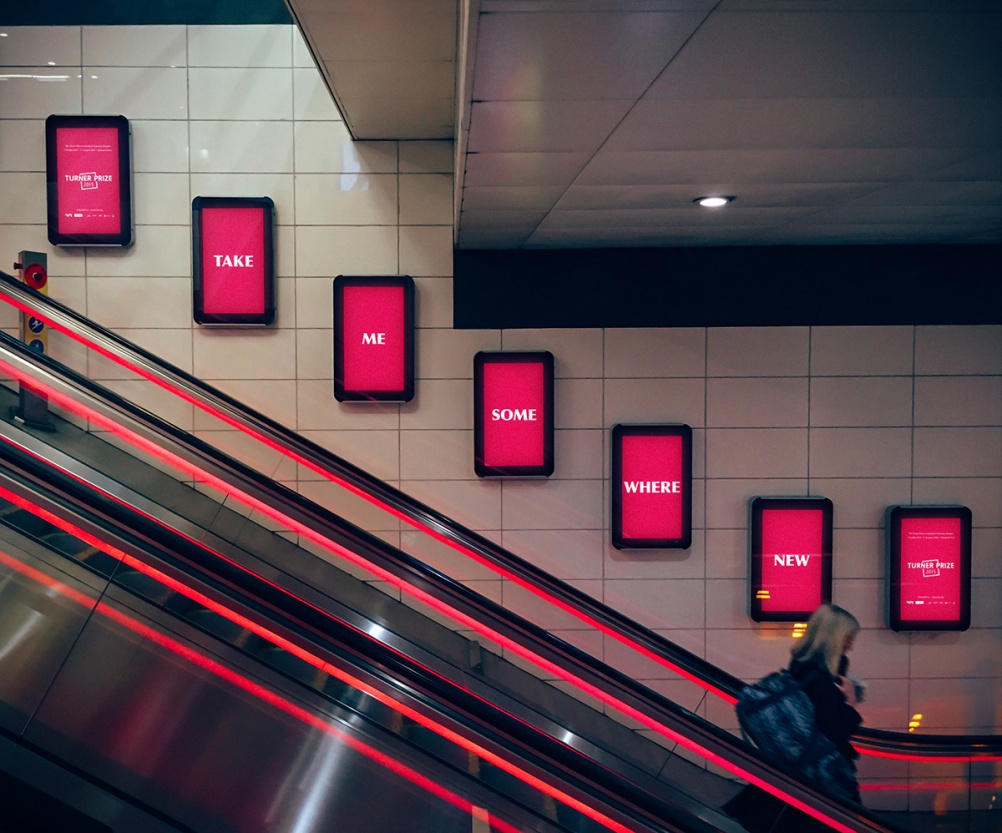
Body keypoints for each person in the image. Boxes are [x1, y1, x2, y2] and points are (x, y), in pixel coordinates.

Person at [723, 604, 864, 832]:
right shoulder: (821, 680)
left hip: (798, 770)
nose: (851, 644)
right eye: (848, 638)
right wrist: (850, 703)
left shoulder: (800, 667)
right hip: (821, 778)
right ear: (834, 638)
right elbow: (834, 732)